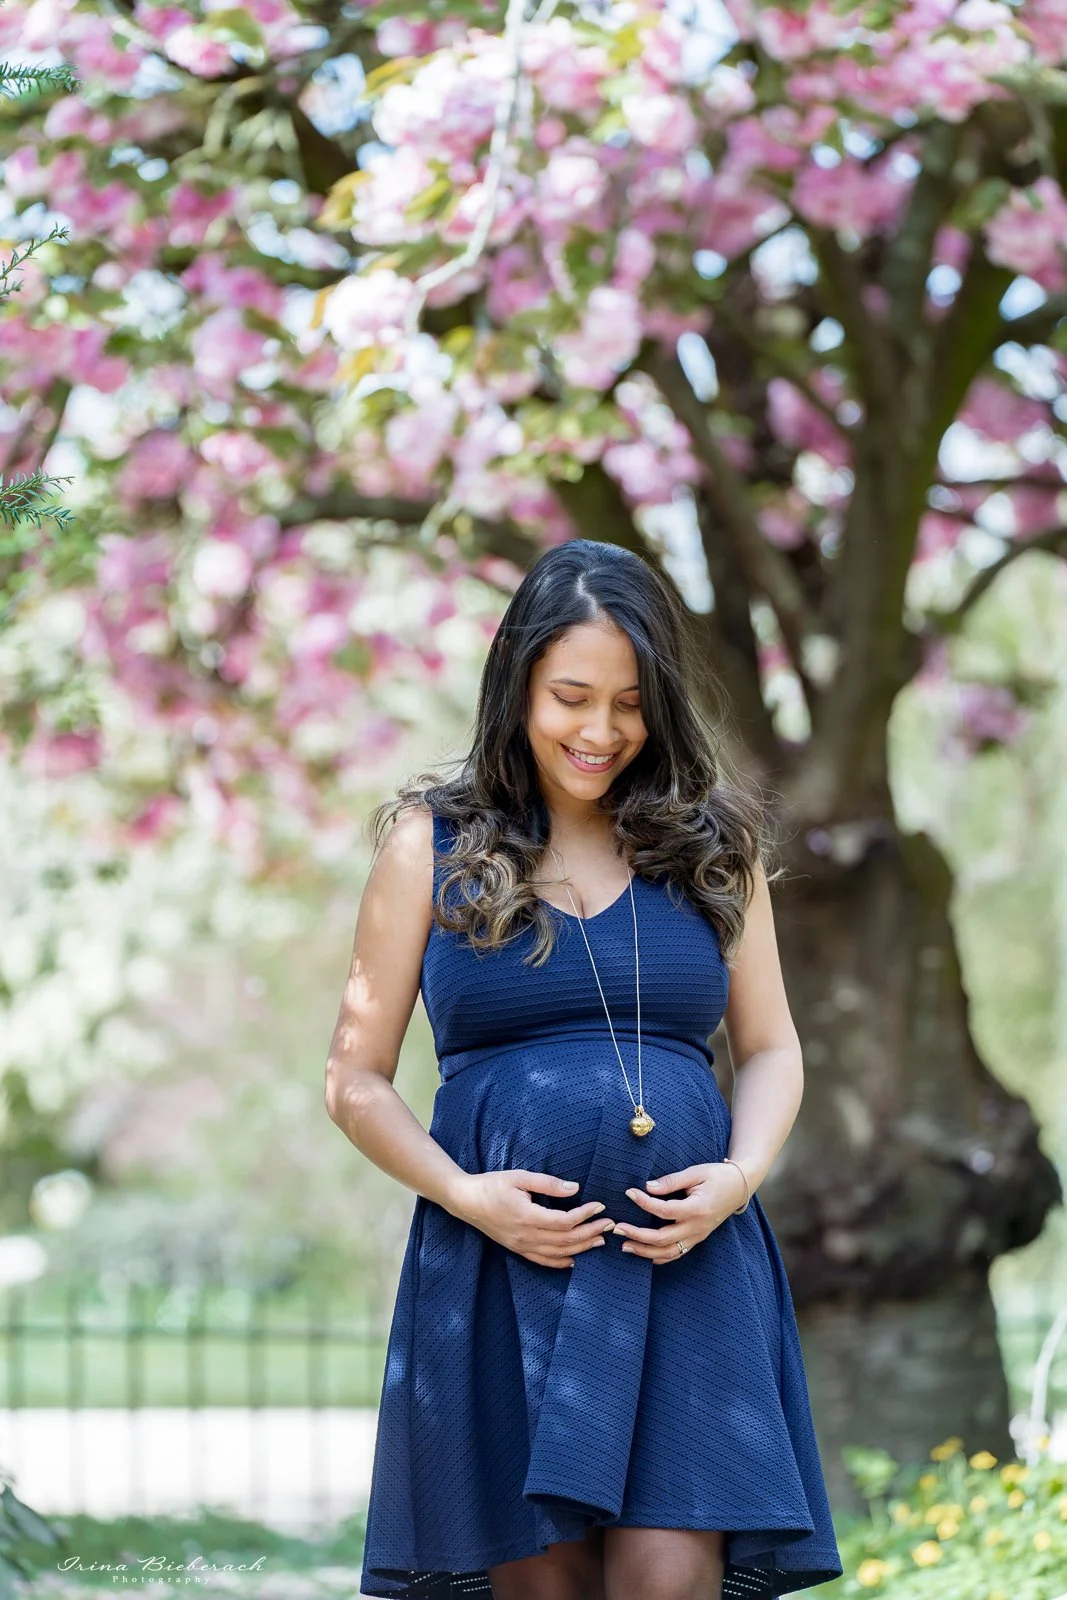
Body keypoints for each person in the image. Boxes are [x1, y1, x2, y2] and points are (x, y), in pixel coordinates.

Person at [326, 540, 844, 1600]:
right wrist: (466, 1195)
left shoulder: (714, 847)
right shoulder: (431, 845)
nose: (599, 731)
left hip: (684, 1272)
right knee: (541, 1585)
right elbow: (355, 1078)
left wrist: (740, 1175)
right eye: (570, 697)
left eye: (628, 703)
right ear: (516, 680)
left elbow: (773, 1046)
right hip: (503, 1274)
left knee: (667, 1577)